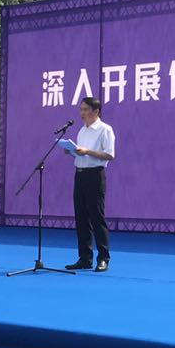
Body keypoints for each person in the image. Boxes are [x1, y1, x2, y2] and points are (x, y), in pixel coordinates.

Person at [67, 96, 115, 272]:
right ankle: (85, 258)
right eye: (81, 109)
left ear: (96, 111)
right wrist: (72, 151)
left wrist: (87, 151)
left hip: (95, 175)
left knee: (97, 217)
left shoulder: (105, 129)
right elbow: (82, 154)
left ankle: (103, 258)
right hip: (79, 175)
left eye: (86, 110)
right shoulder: (82, 130)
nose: (82, 113)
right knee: (81, 218)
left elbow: (109, 155)